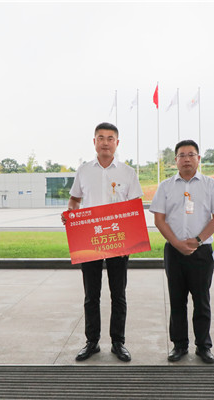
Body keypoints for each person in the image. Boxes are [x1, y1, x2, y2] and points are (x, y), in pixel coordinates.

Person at [62, 122, 143, 362]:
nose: (105, 142)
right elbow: (74, 201)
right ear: (94, 142)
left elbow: (135, 208)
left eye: (110, 138)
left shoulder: (128, 173)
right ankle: (92, 342)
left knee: (118, 295)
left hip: (119, 240)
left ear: (117, 143)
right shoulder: (84, 171)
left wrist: (130, 237)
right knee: (91, 295)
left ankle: (118, 343)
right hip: (90, 239)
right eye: (100, 138)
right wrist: (71, 215)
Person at [149, 139, 214, 364]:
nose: (186, 159)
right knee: (177, 300)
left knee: (202, 300)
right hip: (174, 252)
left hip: (201, 252)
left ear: (198, 158)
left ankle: (203, 346)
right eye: (182, 155)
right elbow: (159, 219)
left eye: (191, 155)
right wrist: (176, 243)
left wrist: (197, 241)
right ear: (175, 160)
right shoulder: (165, 186)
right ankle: (179, 345)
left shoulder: (210, 185)